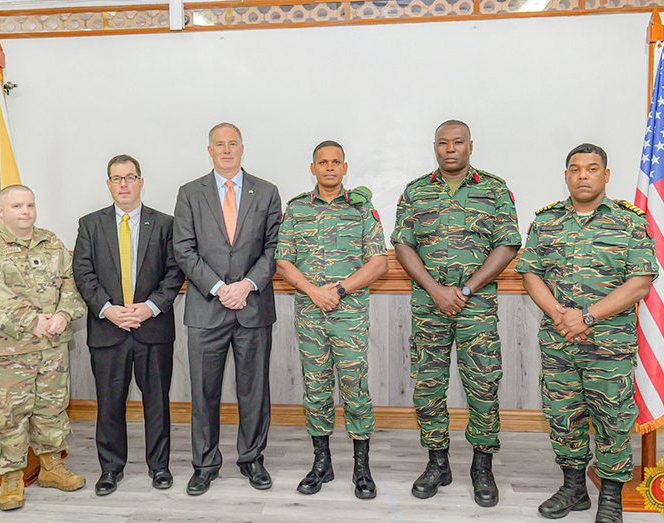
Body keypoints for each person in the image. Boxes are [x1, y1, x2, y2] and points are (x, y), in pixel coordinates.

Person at [516, 143, 657, 523]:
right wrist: (558, 315)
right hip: (559, 341)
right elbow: (531, 273)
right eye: (575, 169)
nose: (583, 175)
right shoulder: (546, 222)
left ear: (605, 175)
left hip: (609, 345)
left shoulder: (630, 221)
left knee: (612, 418)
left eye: (592, 168)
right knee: (564, 416)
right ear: (566, 175)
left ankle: (611, 496)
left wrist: (587, 317)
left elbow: (640, 283)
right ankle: (574, 488)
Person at [391, 120, 521, 507]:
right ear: (435, 147)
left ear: (470, 147)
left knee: (483, 386)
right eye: (443, 143)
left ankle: (482, 467)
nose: (451, 149)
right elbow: (402, 244)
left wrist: (464, 290)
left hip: (476, 308)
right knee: (428, 386)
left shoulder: (494, 189)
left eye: (458, 142)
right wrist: (435, 290)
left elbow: (508, 245)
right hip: (428, 307)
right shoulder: (416, 191)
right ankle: (437, 463)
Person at [0, 185, 86, 511]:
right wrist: (33, 321)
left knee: (51, 407)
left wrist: (63, 315)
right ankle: (11, 477)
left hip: (51, 348)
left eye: (30, 204)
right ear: (0, 211)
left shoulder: (52, 243)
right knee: (7, 414)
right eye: (17, 205)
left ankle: (51, 466)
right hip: (8, 352)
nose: (26, 211)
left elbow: (71, 285)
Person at [173, 122, 282, 495]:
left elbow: (273, 249)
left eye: (232, 144)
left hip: (252, 307)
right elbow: (184, 250)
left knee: (254, 390)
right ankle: (204, 464)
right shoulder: (190, 193)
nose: (226, 150)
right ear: (209, 150)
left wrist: (246, 285)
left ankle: (252, 459)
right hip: (207, 309)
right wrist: (220, 289)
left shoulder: (266, 192)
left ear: (242, 148)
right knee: (204, 392)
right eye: (219, 145)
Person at [275, 141, 388, 499]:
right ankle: (321, 464)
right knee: (317, 388)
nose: (329, 168)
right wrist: (313, 290)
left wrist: (338, 290)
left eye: (335, 162)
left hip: (349, 317)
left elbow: (378, 263)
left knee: (355, 388)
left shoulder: (361, 209)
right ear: (313, 168)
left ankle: (361, 468)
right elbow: (283, 261)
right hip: (310, 316)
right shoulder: (296, 210)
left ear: (345, 167)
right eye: (322, 162)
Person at [73, 155, 184, 496]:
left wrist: (150, 308)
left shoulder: (165, 224)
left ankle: (159, 466)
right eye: (117, 178)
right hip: (109, 329)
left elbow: (174, 272)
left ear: (141, 181)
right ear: (108, 184)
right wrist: (108, 310)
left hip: (152, 328)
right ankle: (111, 468)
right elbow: (83, 273)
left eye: (130, 177)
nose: (123, 184)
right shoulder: (90, 224)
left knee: (157, 401)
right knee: (109, 402)